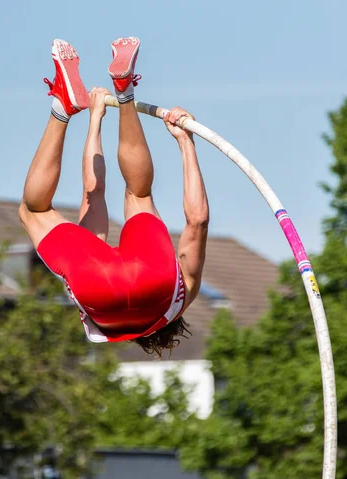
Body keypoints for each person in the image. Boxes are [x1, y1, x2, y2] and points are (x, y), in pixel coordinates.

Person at [19, 38, 209, 356]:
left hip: (158, 285)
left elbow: (198, 220)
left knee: (139, 193)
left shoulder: (182, 297)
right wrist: (92, 121)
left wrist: (185, 142)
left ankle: (125, 92)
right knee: (33, 211)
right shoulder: (106, 322)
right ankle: (62, 108)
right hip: (99, 298)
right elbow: (93, 197)